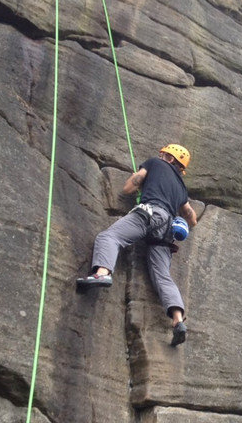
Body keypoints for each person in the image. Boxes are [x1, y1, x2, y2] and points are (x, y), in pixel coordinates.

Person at [77, 144, 198, 346]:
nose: (161, 156)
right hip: (166, 228)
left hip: (150, 213)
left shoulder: (154, 163)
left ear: (169, 158)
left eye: (164, 155)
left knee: (109, 237)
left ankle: (103, 273)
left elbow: (129, 187)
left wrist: (142, 185)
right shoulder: (181, 188)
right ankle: (177, 320)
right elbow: (191, 218)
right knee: (162, 276)